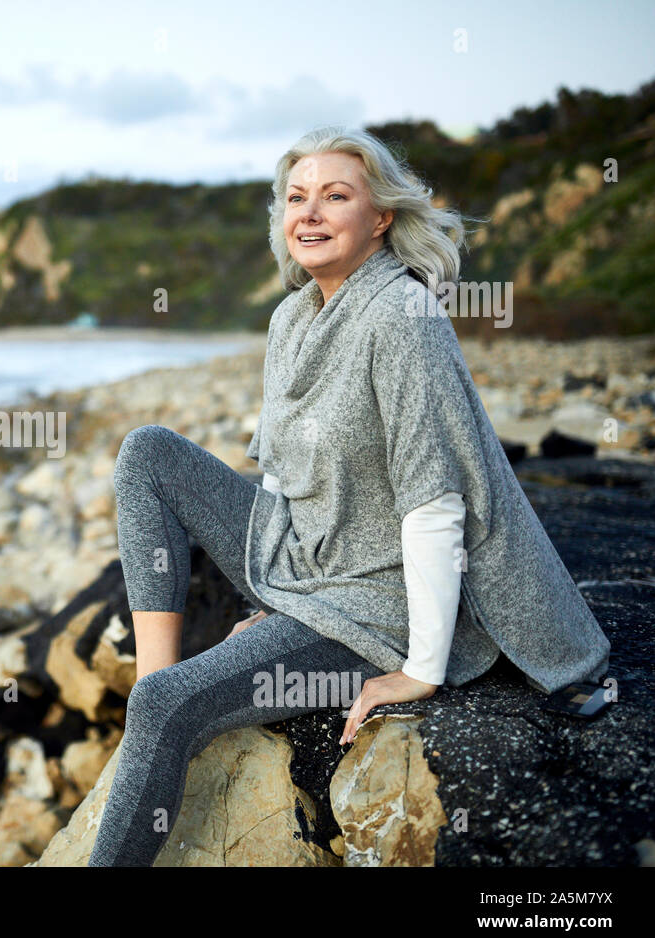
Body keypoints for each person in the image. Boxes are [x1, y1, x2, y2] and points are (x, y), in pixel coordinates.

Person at [87, 125, 611, 867]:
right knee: (148, 453)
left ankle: (159, 711)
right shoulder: (292, 318)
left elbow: (435, 501)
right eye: (297, 198)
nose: (310, 213)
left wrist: (422, 669)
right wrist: (268, 601)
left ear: (382, 217)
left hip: (372, 604)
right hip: (305, 563)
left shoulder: (403, 318)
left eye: (336, 196)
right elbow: (284, 475)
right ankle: (156, 688)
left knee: (168, 711)